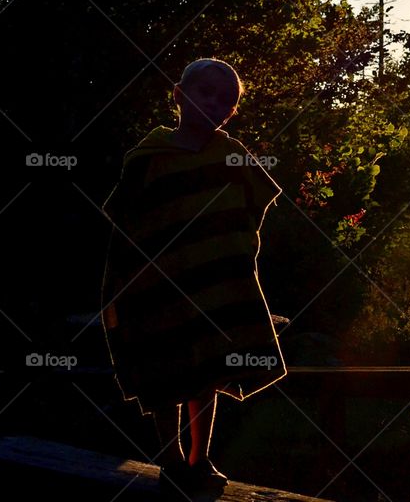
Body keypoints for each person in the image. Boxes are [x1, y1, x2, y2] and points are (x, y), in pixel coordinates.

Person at [100, 58, 288, 494]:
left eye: (227, 100)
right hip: (158, 284)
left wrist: (228, 252)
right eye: (206, 93)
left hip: (215, 285)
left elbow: (253, 206)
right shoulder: (147, 158)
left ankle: (199, 458)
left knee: (207, 372)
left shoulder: (231, 155)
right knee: (164, 369)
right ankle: (170, 460)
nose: (216, 104)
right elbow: (126, 221)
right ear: (179, 96)